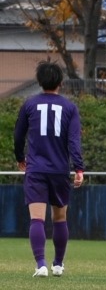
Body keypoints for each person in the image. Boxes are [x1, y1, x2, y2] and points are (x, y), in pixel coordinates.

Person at [14, 61, 85, 278]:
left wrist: (20, 158)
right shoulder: (70, 107)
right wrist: (79, 167)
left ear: (39, 81)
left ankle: (41, 264)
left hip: (35, 169)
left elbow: (18, 135)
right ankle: (58, 264)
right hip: (59, 170)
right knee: (60, 218)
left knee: (37, 218)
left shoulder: (29, 104)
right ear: (61, 83)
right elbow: (74, 140)